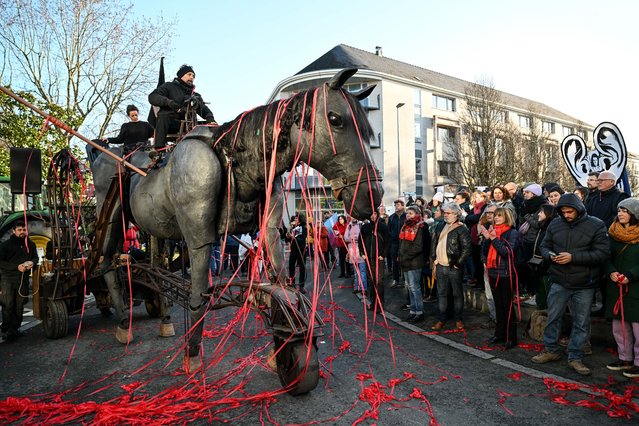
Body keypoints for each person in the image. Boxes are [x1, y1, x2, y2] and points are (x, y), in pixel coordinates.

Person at [532, 193, 609, 376]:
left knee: (581, 322)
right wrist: (550, 255)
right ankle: (551, 350)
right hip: (559, 280)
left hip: (585, 283)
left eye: (569, 211)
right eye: (563, 211)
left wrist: (573, 257)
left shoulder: (596, 225)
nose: (566, 215)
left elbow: (602, 254)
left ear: (579, 209)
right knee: (553, 317)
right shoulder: (555, 223)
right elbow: (544, 246)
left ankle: (575, 356)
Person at [604, 198, 639, 378]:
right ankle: (624, 358)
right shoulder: (612, 234)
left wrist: (631, 275)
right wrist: (611, 271)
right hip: (615, 286)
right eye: (619, 211)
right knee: (619, 326)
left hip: (635, 288)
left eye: (625, 211)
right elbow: (605, 257)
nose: (620, 214)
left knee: (637, 328)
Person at [148, 64, 216, 151]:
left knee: (208, 127)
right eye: (189, 74)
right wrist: (169, 102)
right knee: (163, 115)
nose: (192, 77)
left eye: (193, 76)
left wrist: (210, 118)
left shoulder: (195, 95)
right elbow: (153, 96)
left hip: (189, 125)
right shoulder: (169, 86)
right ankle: (159, 150)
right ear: (181, 76)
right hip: (170, 124)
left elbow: (204, 108)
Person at [481, 207, 520, 349]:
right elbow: (485, 251)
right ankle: (499, 334)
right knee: (498, 306)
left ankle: (511, 337)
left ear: (507, 217)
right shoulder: (493, 231)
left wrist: (493, 239)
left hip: (506, 274)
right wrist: (487, 240)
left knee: (508, 306)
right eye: (495, 215)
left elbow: (506, 252)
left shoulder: (512, 232)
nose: (496, 218)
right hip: (493, 273)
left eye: (499, 216)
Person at [431, 202, 472, 331]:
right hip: (441, 265)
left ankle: (458, 319)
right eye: (445, 212)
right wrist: (434, 259)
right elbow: (434, 243)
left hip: (453, 266)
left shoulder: (462, 228)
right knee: (442, 293)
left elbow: (467, 248)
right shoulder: (440, 226)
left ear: (456, 214)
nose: (446, 215)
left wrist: (458, 264)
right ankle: (442, 318)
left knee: (457, 294)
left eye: (448, 213)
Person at [0, 221, 38, 342]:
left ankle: (15, 329)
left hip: (23, 279)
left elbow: (35, 257)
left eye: (23, 230)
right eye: (19, 230)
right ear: (14, 231)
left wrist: (32, 262)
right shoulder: (5, 245)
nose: (22, 232)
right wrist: (16, 267)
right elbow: (1, 263)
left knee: (19, 305)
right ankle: (6, 330)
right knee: (8, 304)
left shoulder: (30, 244)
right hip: (8, 279)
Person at [398, 205, 431, 322]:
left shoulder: (420, 226)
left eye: (411, 213)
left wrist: (406, 257)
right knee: (410, 287)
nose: (408, 215)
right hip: (405, 261)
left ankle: (419, 312)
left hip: (414, 261)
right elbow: (402, 243)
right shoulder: (405, 226)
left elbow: (418, 246)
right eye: (407, 213)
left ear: (417, 214)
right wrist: (400, 256)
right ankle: (413, 310)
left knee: (414, 287)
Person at [517, 183, 547, 301]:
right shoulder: (526, 204)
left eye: (527, 192)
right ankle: (527, 289)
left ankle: (533, 292)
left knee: (532, 267)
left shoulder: (542, 205)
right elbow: (521, 220)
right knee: (524, 265)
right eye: (524, 192)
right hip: (525, 238)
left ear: (535, 193)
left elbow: (537, 223)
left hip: (534, 240)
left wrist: (526, 215)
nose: (525, 194)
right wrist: (523, 214)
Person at [359, 209, 390, 312]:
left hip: (378, 258)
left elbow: (387, 241)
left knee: (379, 281)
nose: (373, 216)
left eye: (375, 213)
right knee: (371, 281)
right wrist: (362, 253)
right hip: (368, 258)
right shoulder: (365, 227)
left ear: (377, 214)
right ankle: (373, 303)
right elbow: (360, 241)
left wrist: (383, 254)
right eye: (371, 214)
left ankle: (380, 304)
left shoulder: (382, 227)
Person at [286, 214, 307, 293]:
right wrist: (288, 237)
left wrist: (293, 237)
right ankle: (292, 284)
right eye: (295, 218)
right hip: (294, 249)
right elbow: (290, 240)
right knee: (291, 266)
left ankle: (301, 286)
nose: (295, 219)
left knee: (302, 267)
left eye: (296, 218)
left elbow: (302, 239)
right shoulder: (293, 227)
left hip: (301, 250)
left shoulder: (304, 228)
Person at [388, 199, 406, 288]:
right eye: (395, 205)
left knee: (403, 261)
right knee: (394, 262)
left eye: (398, 204)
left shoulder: (406, 216)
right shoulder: (391, 217)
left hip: (404, 243)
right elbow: (389, 230)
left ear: (402, 206)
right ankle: (396, 280)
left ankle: (405, 280)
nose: (396, 206)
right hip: (394, 243)